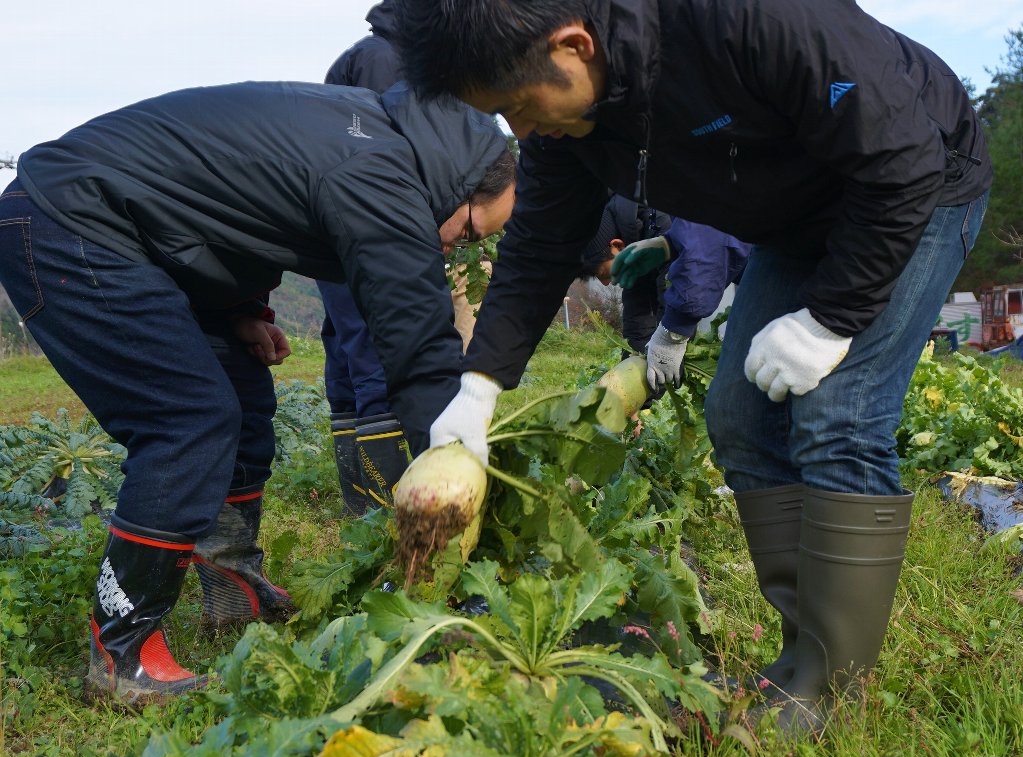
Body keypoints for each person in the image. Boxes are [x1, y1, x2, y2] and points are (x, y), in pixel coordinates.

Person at [392, 0, 991, 736]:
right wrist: (478, 386)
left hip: (916, 183)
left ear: (573, 45)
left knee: (838, 416)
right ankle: (800, 658)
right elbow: (539, 249)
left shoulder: (753, 18)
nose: (519, 131)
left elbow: (899, 160)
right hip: (797, 220)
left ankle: (837, 691)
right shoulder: (569, 125)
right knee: (738, 417)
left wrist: (830, 317)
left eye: (517, 107)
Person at [0, 80, 515, 703]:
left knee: (242, 397)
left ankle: (232, 579)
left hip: (129, 230)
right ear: (460, 189)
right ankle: (120, 654)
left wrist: (240, 311)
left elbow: (228, 214)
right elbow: (418, 351)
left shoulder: (376, 144)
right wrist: (461, 472)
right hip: (72, 220)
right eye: (467, 232)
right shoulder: (379, 174)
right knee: (188, 420)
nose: (457, 247)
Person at [321, 0, 497, 514]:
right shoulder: (390, 61)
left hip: (336, 231)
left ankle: (364, 502)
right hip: (367, 232)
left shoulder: (371, 54)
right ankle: (394, 503)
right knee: (375, 355)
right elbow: (396, 158)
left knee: (349, 355)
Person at [579, 196, 749, 389]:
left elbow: (704, 256)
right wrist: (636, 391)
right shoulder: (637, 242)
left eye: (601, 273)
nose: (606, 282)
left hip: (775, 258)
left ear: (616, 245)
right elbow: (638, 315)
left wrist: (672, 336)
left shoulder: (661, 217)